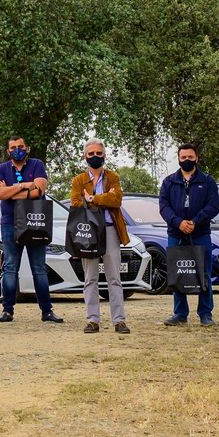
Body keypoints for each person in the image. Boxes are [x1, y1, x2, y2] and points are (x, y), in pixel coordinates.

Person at [0, 136, 63, 324]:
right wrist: (23, 186)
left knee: (39, 268)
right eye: (13, 148)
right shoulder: (1, 169)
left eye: (20, 147)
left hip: (35, 222)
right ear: (8, 151)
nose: (17, 150)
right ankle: (7, 311)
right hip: (9, 223)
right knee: (10, 267)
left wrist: (10, 190)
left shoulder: (37, 164)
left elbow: (39, 190)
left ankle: (47, 311)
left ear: (27, 148)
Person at [69, 140, 130, 334]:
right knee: (90, 278)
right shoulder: (78, 180)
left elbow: (117, 200)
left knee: (114, 278)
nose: (95, 156)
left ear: (104, 155)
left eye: (98, 152)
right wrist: (105, 198)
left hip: (111, 229)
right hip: (89, 232)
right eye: (91, 153)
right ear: (84, 156)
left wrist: (93, 198)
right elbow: (76, 203)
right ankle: (92, 320)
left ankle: (119, 320)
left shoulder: (113, 177)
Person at [158, 144, 219, 326]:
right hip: (175, 234)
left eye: (190, 157)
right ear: (178, 159)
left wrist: (195, 221)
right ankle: (180, 313)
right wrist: (179, 222)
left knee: (204, 273)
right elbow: (163, 207)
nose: (187, 160)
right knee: (177, 273)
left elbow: (213, 206)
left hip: (200, 233)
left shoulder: (208, 181)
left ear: (197, 158)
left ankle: (205, 314)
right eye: (183, 157)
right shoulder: (169, 182)